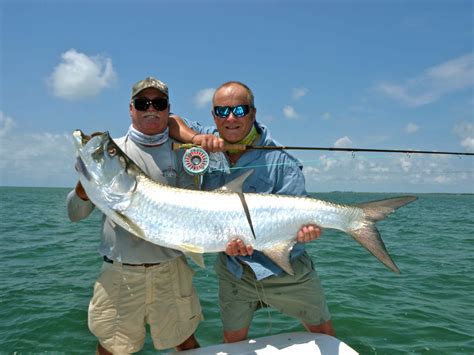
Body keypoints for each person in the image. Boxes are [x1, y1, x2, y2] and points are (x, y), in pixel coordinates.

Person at [169, 81, 335, 343]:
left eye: (240, 110)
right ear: (214, 116)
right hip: (235, 269)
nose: (231, 118)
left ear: (253, 113)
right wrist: (194, 138)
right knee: (234, 342)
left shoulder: (282, 162)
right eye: (222, 112)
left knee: (324, 335)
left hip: (287, 267)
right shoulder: (207, 138)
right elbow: (170, 121)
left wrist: (305, 232)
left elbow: (299, 219)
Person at [67, 77, 202, 354]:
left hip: (172, 270)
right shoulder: (111, 151)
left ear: (168, 109)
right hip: (120, 272)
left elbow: (193, 211)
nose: (150, 109)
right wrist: (84, 189)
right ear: (131, 109)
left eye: (158, 103)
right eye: (143, 103)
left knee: (186, 342)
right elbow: (75, 214)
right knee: (110, 348)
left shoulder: (182, 154)